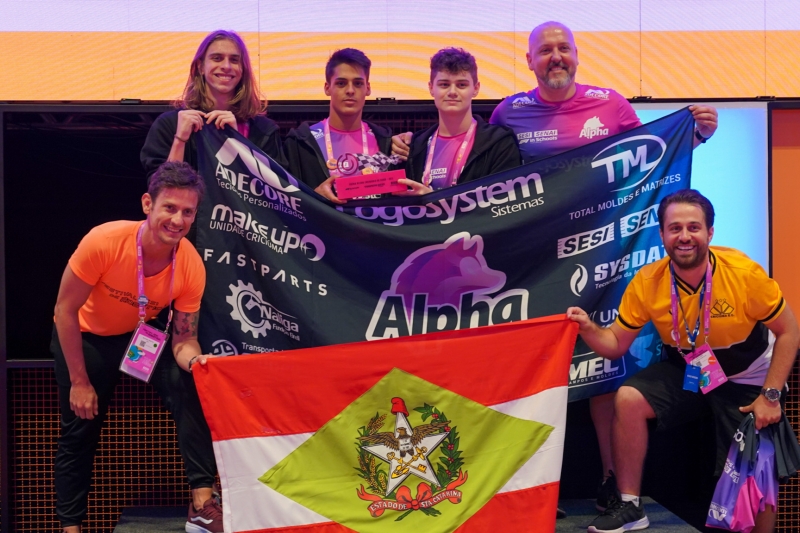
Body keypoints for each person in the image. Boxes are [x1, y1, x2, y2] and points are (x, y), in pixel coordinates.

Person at [393, 21, 719, 514]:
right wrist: (406, 146)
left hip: (601, 254)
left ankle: (612, 482)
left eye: (563, 47)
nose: (555, 57)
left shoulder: (610, 104)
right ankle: (526, 487)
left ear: (577, 54)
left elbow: (652, 159)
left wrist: (693, 137)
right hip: (534, 263)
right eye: (544, 50)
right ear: (529, 61)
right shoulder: (508, 113)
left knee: (602, 371)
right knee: (527, 376)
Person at [567, 189, 799, 533]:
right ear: (662, 235)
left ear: (710, 233)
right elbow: (615, 344)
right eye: (675, 228)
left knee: (755, 471)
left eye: (694, 227)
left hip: (749, 378)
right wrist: (588, 328)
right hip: (692, 371)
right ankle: (630, 505)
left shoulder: (744, 274)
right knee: (628, 398)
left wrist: (771, 395)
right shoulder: (648, 281)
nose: (685, 236)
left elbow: (789, 331)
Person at [53, 162, 222, 533]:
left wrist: (196, 362)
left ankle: (202, 501)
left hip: (139, 334)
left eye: (187, 212)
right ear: (148, 204)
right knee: (80, 427)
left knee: (191, 385)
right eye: (169, 208)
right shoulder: (104, 241)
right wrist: (79, 381)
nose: (177, 220)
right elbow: (64, 311)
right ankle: (70, 527)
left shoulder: (190, 264)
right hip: (86, 335)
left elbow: (184, 339)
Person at [141, 30, 286, 181]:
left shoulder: (264, 130)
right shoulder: (169, 125)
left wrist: (236, 142)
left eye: (234, 60)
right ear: (200, 67)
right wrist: (180, 140)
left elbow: (275, 191)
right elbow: (160, 189)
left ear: (243, 70)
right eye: (217, 58)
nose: (226, 66)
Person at [393, 47, 520, 196]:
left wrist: (434, 200)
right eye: (444, 84)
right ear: (431, 88)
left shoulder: (500, 143)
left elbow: (505, 203)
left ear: (476, 88)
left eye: (461, 85)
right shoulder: (415, 145)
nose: (452, 92)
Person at [283, 48, 393, 203]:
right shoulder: (299, 144)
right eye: (341, 83)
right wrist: (313, 199)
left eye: (358, 83)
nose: (350, 90)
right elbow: (283, 202)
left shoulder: (386, 143)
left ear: (367, 88)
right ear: (327, 88)